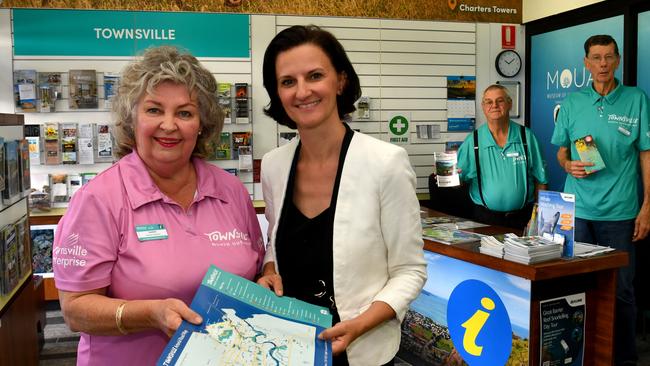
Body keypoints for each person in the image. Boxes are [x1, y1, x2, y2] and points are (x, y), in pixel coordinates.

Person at [52, 46, 264, 365]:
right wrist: (150, 313)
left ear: (202, 124)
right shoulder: (99, 198)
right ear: (132, 118)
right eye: (154, 110)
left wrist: (267, 275)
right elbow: (75, 310)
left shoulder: (231, 190)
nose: (169, 125)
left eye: (184, 112)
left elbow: (255, 269)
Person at [256, 25, 427, 365]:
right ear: (277, 93)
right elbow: (276, 243)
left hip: (360, 351)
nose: (302, 91)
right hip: (289, 348)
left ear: (340, 80)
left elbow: (410, 271)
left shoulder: (385, 163)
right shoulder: (275, 166)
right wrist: (269, 270)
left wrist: (360, 324)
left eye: (315, 75)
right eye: (288, 81)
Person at [551, 34, 650, 366]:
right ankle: (581, 356)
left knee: (621, 292)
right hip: (577, 211)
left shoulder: (636, 99)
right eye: (596, 57)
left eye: (609, 57)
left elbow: (646, 156)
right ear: (586, 63)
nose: (603, 64)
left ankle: (623, 359)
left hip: (620, 214)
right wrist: (567, 165)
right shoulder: (573, 103)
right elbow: (562, 151)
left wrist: (647, 206)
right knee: (576, 288)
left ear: (618, 61)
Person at [457, 84, 548, 230]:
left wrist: (538, 215)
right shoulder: (472, 141)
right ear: (483, 106)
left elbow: (541, 180)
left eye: (500, 100)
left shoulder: (527, 137)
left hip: (522, 219)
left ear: (509, 103)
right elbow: (459, 181)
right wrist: (445, 174)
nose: (494, 105)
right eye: (489, 102)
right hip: (485, 219)